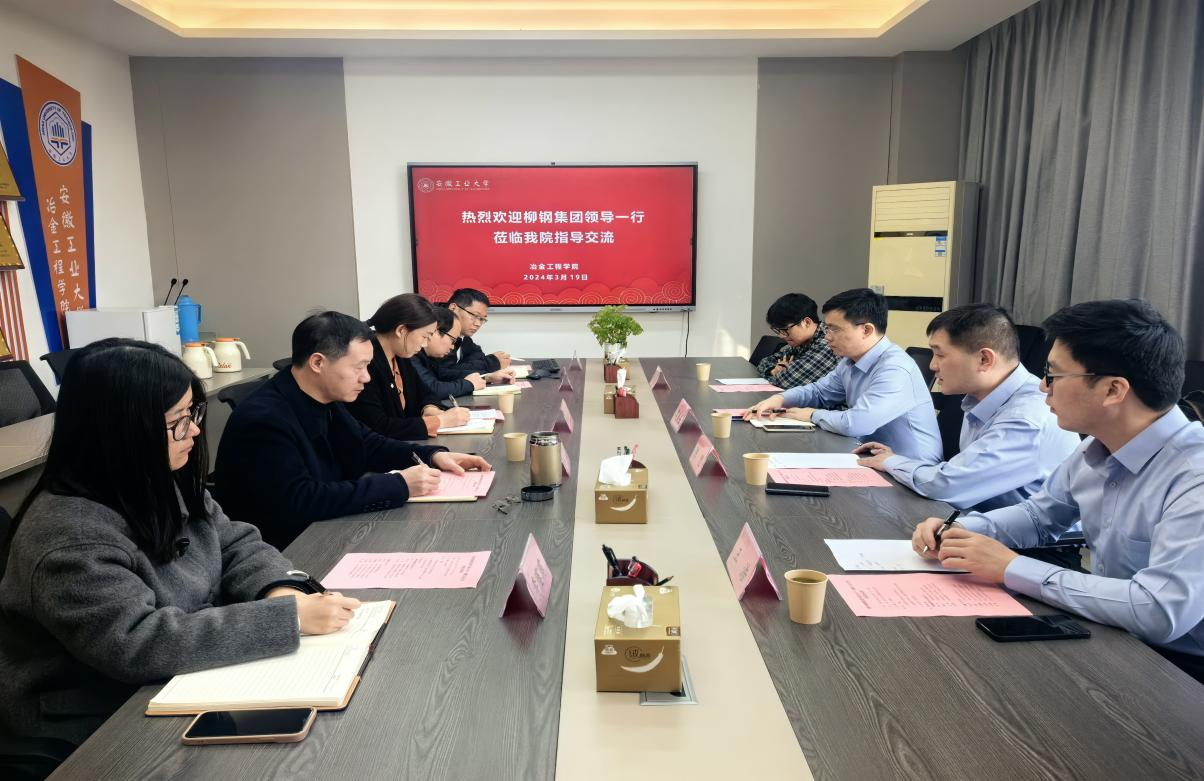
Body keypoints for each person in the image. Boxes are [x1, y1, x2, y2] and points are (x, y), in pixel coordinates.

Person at [0, 339, 360, 763]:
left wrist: (278, 590)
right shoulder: (70, 536)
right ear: (121, 431)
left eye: (192, 414)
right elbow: (137, 644)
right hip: (96, 718)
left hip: (177, 678)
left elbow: (234, 541)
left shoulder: (154, 479)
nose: (194, 431)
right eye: (177, 421)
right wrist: (287, 619)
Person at [913, 300, 1204, 682]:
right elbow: (1039, 516)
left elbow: (1158, 610)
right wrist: (964, 530)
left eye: (1053, 376)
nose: (1041, 387)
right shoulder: (1095, 447)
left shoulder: (1193, 477)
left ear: (1113, 390)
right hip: (1112, 632)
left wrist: (1011, 567)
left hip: (1180, 671)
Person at [214, 312, 490, 549]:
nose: (366, 377)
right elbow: (302, 500)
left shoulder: (323, 396)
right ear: (318, 363)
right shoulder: (264, 418)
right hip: (287, 547)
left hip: (326, 527)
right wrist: (399, 485)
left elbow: (367, 443)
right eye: (359, 367)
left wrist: (433, 456)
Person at [855, 304, 1079, 511]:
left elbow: (947, 486)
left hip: (1025, 538)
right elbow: (961, 475)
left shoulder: (1026, 417)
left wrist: (892, 462)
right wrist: (895, 460)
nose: (932, 365)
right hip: (982, 522)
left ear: (984, 359)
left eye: (940, 354)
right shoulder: (978, 399)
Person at [745, 288, 942, 462]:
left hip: (910, 470)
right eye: (827, 328)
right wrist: (780, 398)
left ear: (866, 330)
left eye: (834, 329)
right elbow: (819, 392)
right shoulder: (850, 361)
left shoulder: (895, 369)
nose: (827, 336)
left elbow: (857, 423)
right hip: (871, 456)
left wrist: (812, 415)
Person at [347, 294, 470, 440]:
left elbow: (425, 393)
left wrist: (429, 408)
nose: (425, 344)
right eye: (425, 336)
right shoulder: (366, 363)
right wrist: (439, 421)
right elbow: (378, 426)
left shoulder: (400, 355)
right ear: (401, 330)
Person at [412, 306, 511, 397]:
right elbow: (433, 389)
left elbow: (444, 375)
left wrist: (487, 378)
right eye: (452, 341)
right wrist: (469, 384)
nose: (452, 347)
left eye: (482, 319)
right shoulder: (411, 354)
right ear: (435, 331)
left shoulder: (430, 355)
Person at [755, 293, 840, 389]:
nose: (781, 336)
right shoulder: (802, 341)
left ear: (806, 322)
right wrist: (772, 370)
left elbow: (787, 382)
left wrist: (780, 373)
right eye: (778, 331)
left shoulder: (827, 343)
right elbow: (764, 362)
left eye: (785, 330)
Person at [429, 288, 513, 382]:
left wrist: (479, 366)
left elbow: (477, 355)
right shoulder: (437, 331)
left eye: (482, 319)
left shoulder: (463, 336)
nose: (478, 324)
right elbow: (444, 374)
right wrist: (492, 363)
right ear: (453, 308)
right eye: (474, 316)